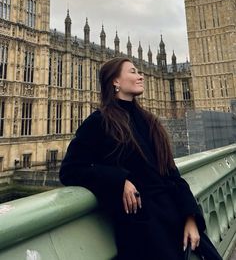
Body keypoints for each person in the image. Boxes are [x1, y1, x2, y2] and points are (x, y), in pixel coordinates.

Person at [59, 57, 222, 260]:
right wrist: (119, 180)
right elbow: (70, 170)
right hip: (144, 232)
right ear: (115, 82)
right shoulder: (99, 122)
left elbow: (172, 174)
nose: (140, 75)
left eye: (139, 72)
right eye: (133, 71)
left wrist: (191, 218)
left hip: (177, 220)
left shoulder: (150, 121)